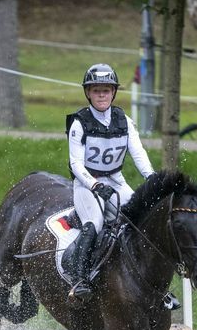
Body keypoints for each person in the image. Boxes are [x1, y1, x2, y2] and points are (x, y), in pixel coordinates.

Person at [65, 63, 177, 308]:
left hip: (115, 179)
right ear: (88, 93)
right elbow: (75, 164)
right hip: (87, 185)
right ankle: (79, 280)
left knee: (141, 220)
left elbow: (138, 153)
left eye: (106, 90)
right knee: (94, 221)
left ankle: (155, 286)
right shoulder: (79, 123)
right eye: (96, 90)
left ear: (114, 92)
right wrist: (94, 185)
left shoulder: (124, 120)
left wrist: (152, 179)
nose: (102, 95)